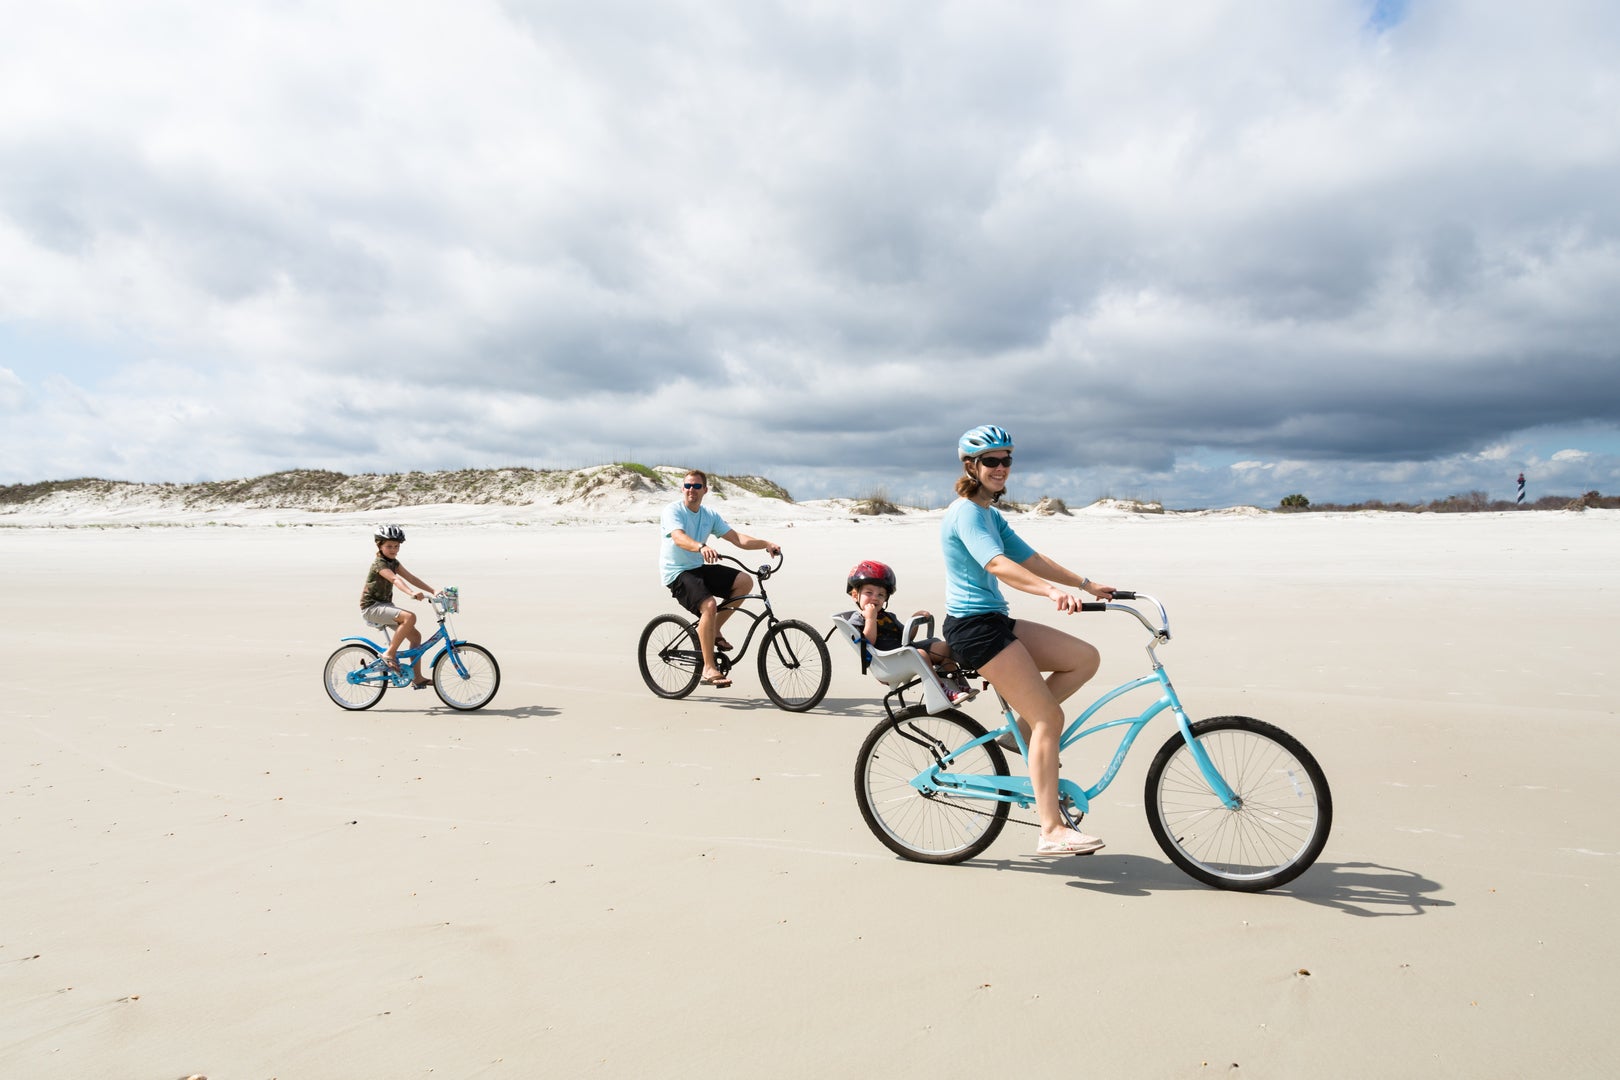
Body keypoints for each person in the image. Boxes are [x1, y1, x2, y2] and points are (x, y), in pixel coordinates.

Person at [940, 425, 1117, 857]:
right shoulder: (965, 512)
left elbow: (1030, 558)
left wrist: (1086, 583)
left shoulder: (990, 514)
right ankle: (1051, 829)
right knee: (1049, 719)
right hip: (974, 631)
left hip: (995, 621)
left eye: (1007, 460)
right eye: (992, 461)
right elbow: (997, 564)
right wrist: (1050, 592)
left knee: (1083, 658)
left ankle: (1014, 732)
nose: (1001, 468)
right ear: (971, 466)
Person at [660, 470, 781, 689]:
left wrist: (766, 543)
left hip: (698, 567)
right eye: (688, 486)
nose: (691, 490)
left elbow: (738, 539)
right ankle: (708, 668)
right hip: (677, 573)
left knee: (744, 582)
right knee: (709, 605)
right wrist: (701, 546)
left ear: (705, 490)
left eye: (697, 487)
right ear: (682, 488)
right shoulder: (673, 511)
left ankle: (714, 629)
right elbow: (678, 538)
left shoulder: (709, 515)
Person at [843, 559, 973, 705]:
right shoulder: (857, 619)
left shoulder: (888, 616)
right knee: (920, 654)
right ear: (855, 595)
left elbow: (906, 637)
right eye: (869, 592)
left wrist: (914, 619)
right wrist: (870, 619)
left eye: (881, 595)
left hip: (903, 654)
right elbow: (867, 644)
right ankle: (941, 691)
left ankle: (956, 684)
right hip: (886, 664)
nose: (875, 597)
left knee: (943, 647)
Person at [359, 524, 437, 689]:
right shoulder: (379, 564)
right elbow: (395, 580)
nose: (393, 549)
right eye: (389, 546)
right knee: (409, 617)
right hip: (372, 607)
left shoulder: (393, 562)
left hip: (385, 606)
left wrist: (433, 590)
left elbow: (410, 577)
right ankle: (389, 653)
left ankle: (417, 678)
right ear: (379, 545)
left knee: (416, 637)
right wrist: (410, 593)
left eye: (396, 546)